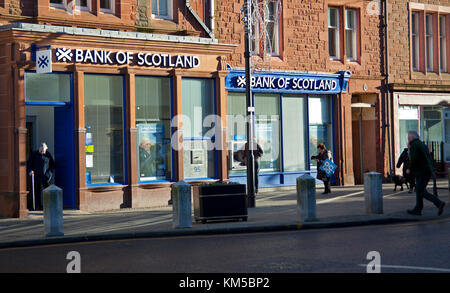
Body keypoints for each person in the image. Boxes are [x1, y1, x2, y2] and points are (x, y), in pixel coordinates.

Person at [406, 131, 445, 216]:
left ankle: (439, 203)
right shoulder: (422, 144)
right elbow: (427, 157)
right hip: (426, 170)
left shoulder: (414, 145)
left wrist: (409, 168)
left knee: (421, 191)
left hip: (421, 171)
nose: (408, 138)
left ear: (412, 137)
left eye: (409, 137)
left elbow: (414, 159)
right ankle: (418, 208)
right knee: (419, 189)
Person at [26, 142, 55, 210]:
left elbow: (52, 165)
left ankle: (47, 206)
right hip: (36, 176)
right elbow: (29, 164)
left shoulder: (47, 154)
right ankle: (37, 206)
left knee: (47, 192)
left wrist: (49, 174)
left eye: (44, 151)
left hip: (45, 177)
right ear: (39, 149)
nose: (43, 152)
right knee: (37, 192)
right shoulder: (34, 154)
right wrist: (30, 171)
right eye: (42, 151)